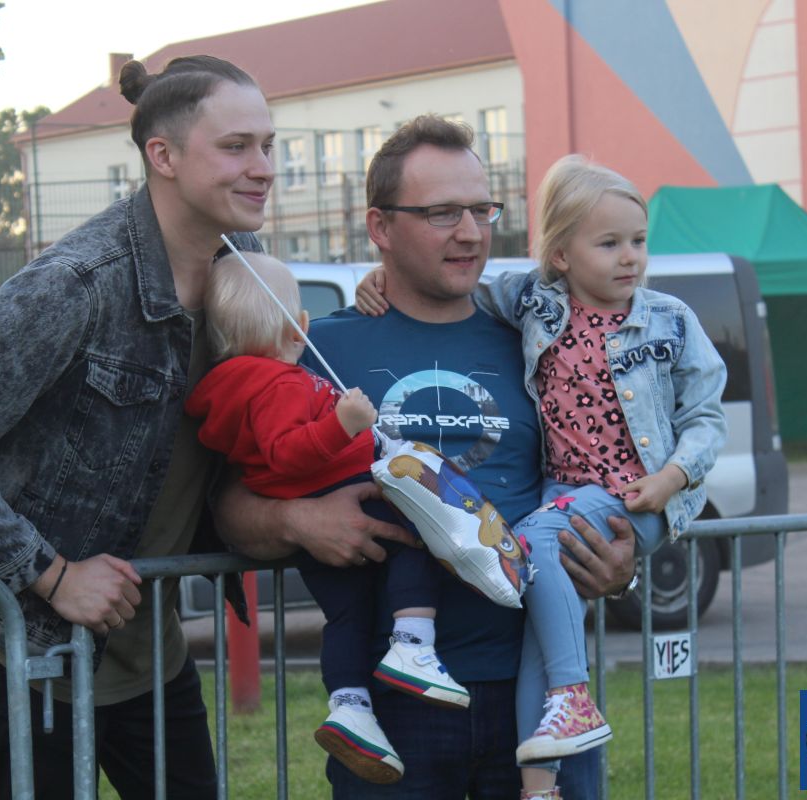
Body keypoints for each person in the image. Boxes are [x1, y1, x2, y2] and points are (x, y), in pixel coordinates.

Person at [0, 55, 280, 799]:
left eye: (267, 144)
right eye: (236, 147)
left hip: (152, 648)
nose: (263, 167)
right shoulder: (76, 284)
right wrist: (52, 574)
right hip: (29, 646)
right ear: (163, 156)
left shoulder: (247, 264)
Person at [214, 115, 636, 800]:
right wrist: (300, 522)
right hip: (392, 703)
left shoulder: (537, 342)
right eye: (442, 213)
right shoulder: (315, 350)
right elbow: (229, 506)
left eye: (481, 209)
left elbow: (605, 472)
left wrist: (620, 563)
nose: (470, 233)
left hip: (540, 692)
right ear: (380, 227)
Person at [354, 154, 728, 798]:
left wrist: (671, 480)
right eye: (608, 243)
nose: (630, 257)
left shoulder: (667, 320)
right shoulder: (534, 304)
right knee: (542, 638)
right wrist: (378, 277)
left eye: (638, 241)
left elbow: (705, 416)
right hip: (564, 499)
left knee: (526, 543)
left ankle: (574, 696)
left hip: (628, 493)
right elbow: (467, 288)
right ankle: (540, 783)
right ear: (559, 255)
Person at [185, 252, 468, 785]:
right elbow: (285, 452)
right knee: (419, 535)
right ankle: (413, 644)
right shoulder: (278, 383)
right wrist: (344, 422)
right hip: (341, 495)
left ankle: (350, 707)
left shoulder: (239, 386)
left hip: (321, 521)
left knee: (346, 617)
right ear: (299, 327)